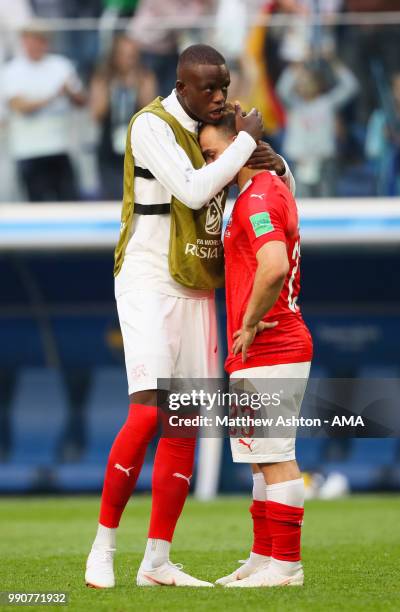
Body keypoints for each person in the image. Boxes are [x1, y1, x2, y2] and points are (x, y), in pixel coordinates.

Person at [85, 43, 296, 589]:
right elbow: (196, 187)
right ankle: (103, 545)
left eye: (224, 87)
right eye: (210, 88)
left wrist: (272, 158)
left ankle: (157, 560)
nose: (221, 97)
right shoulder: (148, 125)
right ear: (183, 86)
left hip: (199, 284)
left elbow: (259, 177)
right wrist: (248, 138)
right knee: (149, 411)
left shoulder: (221, 123)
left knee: (185, 419)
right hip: (149, 278)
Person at [198, 104, 313, 587]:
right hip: (262, 348)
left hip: (272, 343)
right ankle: (263, 557)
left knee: (276, 455)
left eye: (211, 153)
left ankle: (286, 566)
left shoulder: (258, 199)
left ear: (239, 148)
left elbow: (273, 266)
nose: (208, 166)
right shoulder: (259, 191)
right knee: (260, 458)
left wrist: (248, 322)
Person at [2, 24, 86, 201]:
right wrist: (55, 96)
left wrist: (69, 93)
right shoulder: (12, 70)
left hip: (60, 146)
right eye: (32, 40)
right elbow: (20, 106)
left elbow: (81, 101)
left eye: (40, 40)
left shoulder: (61, 65)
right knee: (38, 204)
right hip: (29, 150)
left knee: (70, 201)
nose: (36, 45)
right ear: (24, 42)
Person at [277, 58, 358, 197]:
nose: (305, 85)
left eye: (309, 81)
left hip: (324, 162)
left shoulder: (327, 103)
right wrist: (297, 67)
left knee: (327, 203)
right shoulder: (294, 104)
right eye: (302, 82)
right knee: (299, 203)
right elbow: (281, 89)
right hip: (299, 162)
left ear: (318, 83)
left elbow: (351, 86)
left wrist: (334, 63)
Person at [90, 33, 157, 200]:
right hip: (109, 147)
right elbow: (97, 113)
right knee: (112, 196)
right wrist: (113, 88)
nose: (129, 60)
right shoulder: (103, 78)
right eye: (125, 55)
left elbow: (150, 110)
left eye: (133, 56)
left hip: (138, 149)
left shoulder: (145, 77)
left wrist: (135, 85)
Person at [366, 71, 400, 196]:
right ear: (392, 90)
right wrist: (384, 138)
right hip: (390, 182)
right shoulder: (380, 118)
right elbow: (372, 151)